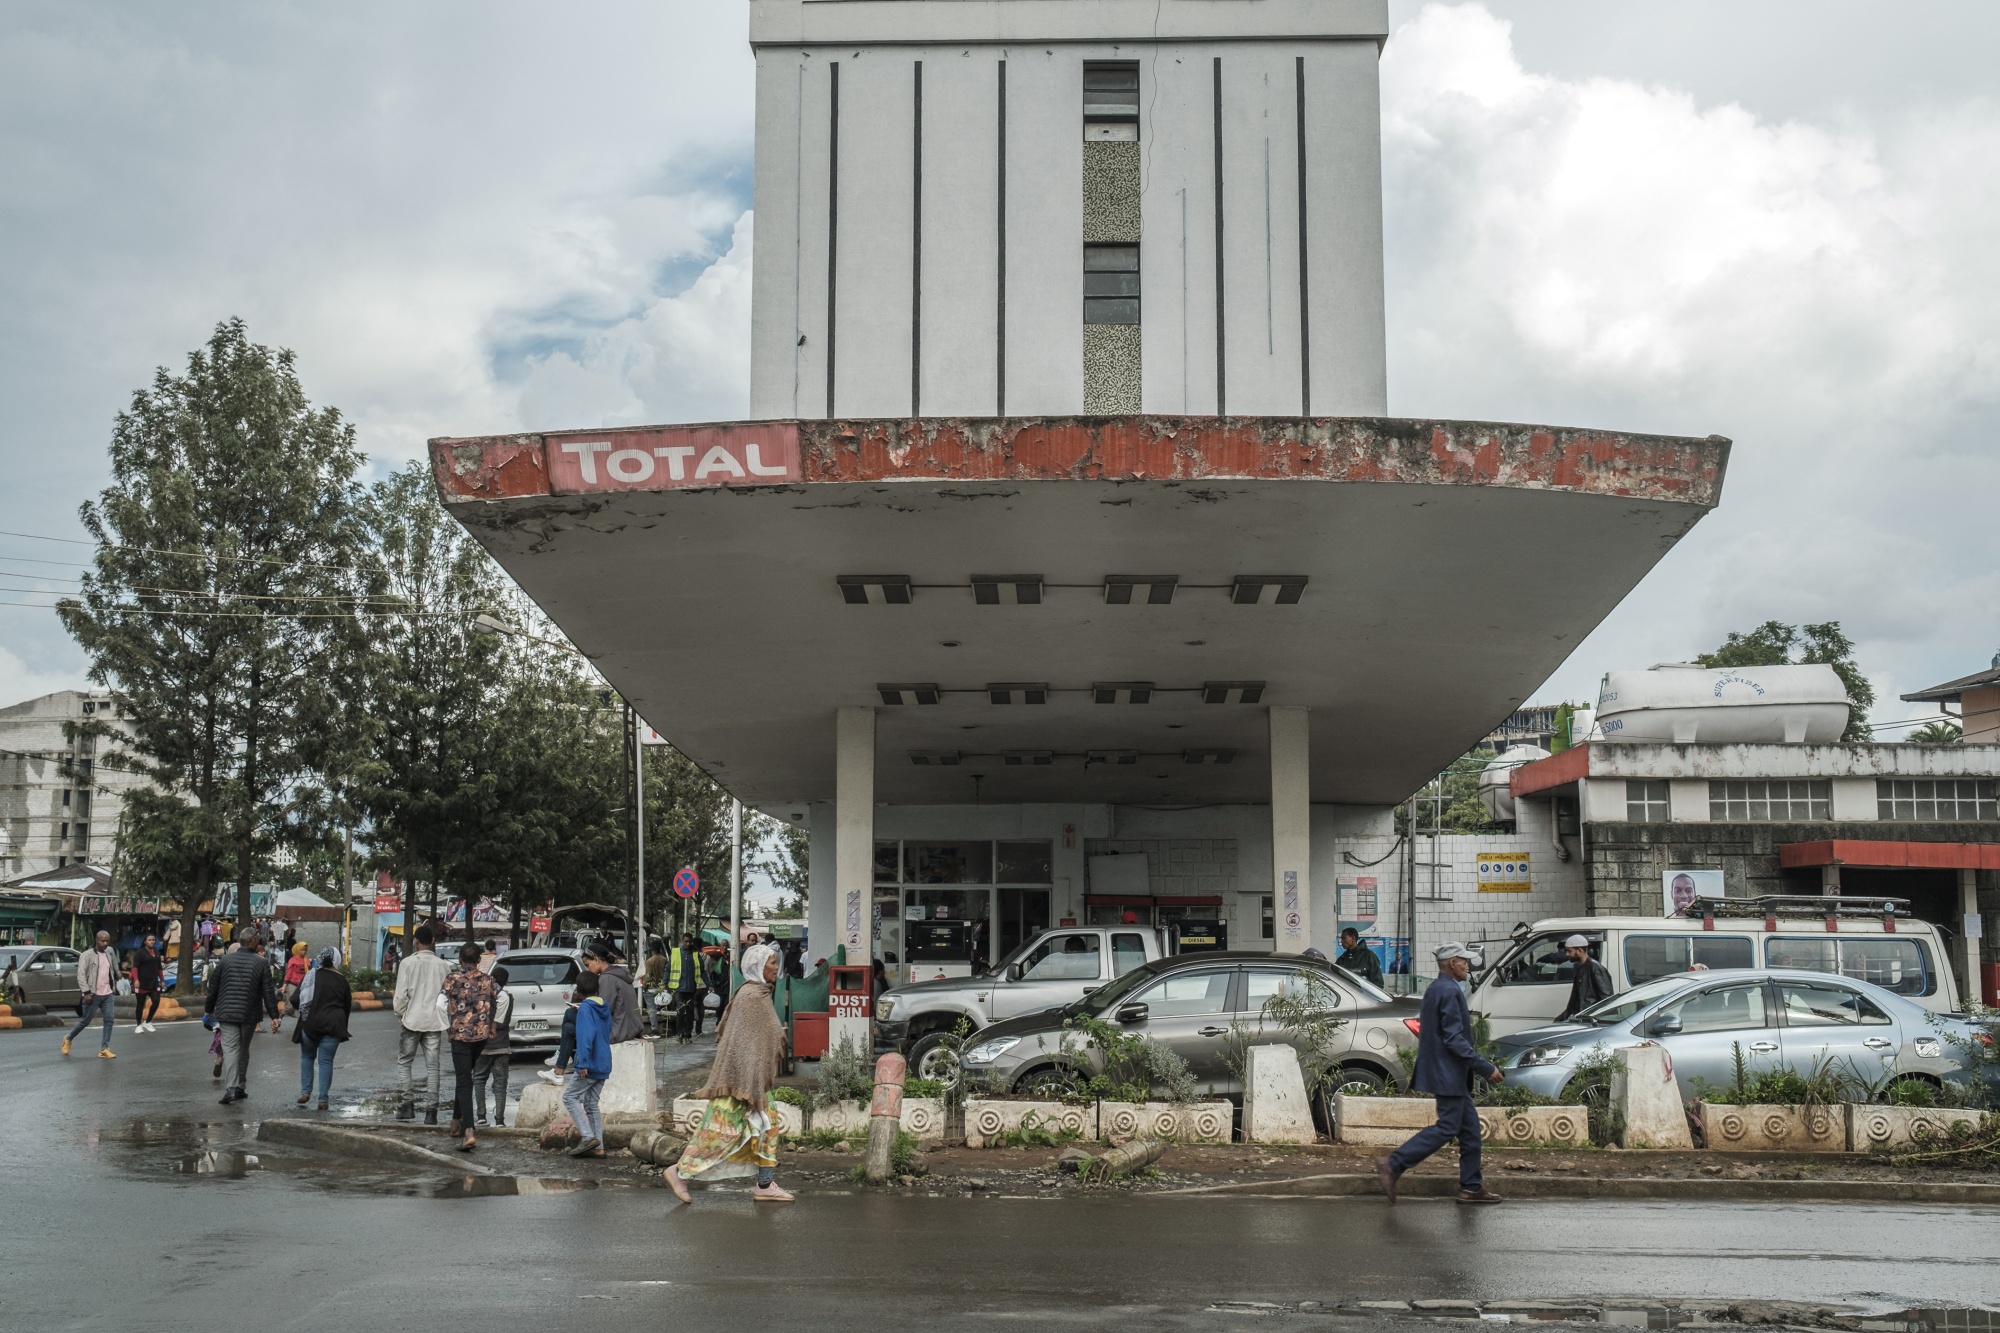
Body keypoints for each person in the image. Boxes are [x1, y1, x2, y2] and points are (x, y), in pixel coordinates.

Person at [664, 942, 793, 1204]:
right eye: (772, 963)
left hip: (750, 1081)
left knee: (769, 1127)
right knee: (718, 1133)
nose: (776, 968)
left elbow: (759, 1039)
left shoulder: (758, 993)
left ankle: (765, 1184)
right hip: (737, 1082)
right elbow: (744, 1044)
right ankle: (679, 1173)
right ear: (757, 967)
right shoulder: (752, 996)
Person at [1378, 943, 1504, 1205]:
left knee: (1469, 1132)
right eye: (1464, 961)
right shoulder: (1449, 991)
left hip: (1446, 1073)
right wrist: (1485, 1067)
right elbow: (1454, 1040)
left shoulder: (1437, 988)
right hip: (1449, 1074)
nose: (1468, 965)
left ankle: (1471, 1187)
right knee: (1447, 1127)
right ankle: (1393, 1163)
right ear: (1451, 964)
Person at [204, 927, 281, 1104]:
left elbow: (213, 988)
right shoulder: (261, 963)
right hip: (249, 1014)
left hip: (227, 1013)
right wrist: (274, 1016)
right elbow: (268, 992)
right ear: (253, 942)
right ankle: (240, 1087)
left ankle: (231, 1088)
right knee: (243, 1049)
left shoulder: (225, 960)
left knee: (230, 1049)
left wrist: (209, 1010)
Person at [442, 942, 499, 1150]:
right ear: (478, 960)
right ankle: (456, 1124)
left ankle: (469, 1132)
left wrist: (447, 1026)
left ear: (459, 960)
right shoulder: (488, 980)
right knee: (464, 1076)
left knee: (464, 1080)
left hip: (459, 1035)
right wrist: (494, 1023)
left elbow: (440, 1004)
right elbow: (504, 1000)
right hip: (481, 1036)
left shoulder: (452, 979)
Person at [392, 925, 450, 1125]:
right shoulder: (444, 966)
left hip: (411, 1021)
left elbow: (401, 996)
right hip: (434, 1022)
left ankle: (407, 1106)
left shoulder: (407, 963)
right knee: (433, 1067)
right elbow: (446, 998)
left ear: (415, 941)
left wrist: (400, 1014)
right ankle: (431, 1112)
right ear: (432, 940)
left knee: (405, 1062)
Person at [293, 947, 351, 1111]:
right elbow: (347, 1006)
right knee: (326, 1061)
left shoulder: (310, 976)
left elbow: (295, 999)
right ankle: (323, 1099)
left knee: (307, 1057)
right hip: (333, 1025)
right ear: (336, 961)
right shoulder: (342, 980)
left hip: (309, 1023)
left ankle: (305, 1091)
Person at [562, 969, 612, 1158]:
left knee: (569, 1097)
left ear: (579, 992)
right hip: (604, 1061)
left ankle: (587, 1136)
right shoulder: (603, 1006)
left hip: (589, 1063)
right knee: (591, 1104)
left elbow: (586, 1036)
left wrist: (582, 1062)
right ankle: (599, 1147)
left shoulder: (585, 1008)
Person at [63, 930, 121, 1059]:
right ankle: (68, 1038)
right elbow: (81, 975)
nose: (105, 943)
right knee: (85, 1021)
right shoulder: (86, 955)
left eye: (107, 941)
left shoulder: (110, 952)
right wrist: (86, 992)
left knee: (109, 1020)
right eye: (102, 941)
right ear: (96, 940)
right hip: (93, 994)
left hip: (108, 993)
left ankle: (104, 1048)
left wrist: (118, 976)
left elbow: (114, 966)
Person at [473, 965, 513, 1127]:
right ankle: (499, 1120)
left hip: (482, 1045)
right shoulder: (508, 998)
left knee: (479, 1079)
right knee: (500, 1083)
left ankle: (481, 1116)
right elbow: (505, 1021)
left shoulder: (481, 998)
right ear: (507, 981)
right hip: (502, 1044)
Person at [585, 942, 642, 1045]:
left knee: (572, 1023)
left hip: (619, 1031)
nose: (587, 969)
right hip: (631, 1028)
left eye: (587, 965)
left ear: (596, 960)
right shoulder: (619, 973)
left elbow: (604, 1009)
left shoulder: (607, 978)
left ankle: (572, 1058)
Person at [1554, 934, 1614, 1022]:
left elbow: (1607, 1000)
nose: (1567, 954)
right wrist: (1561, 1018)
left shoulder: (1595, 968)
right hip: (1582, 1019)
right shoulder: (1580, 968)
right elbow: (1575, 1001)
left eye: (1569, 951)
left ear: (1580, 951)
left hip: (1588, 1020)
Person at [666, 934, 702, 1043]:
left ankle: (687, 1033)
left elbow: (702, 970)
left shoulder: (695, 954)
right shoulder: (676, 953)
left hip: (691, 988)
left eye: (690, 942)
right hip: (678, 988)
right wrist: (664, 983)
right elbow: (668, 969)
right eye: (686, 941)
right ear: (682, 941)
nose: (688, 944)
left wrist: (709, 985)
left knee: (690, 1012)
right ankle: (680, 1033)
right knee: (681, 1011)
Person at [130, 932, 165, 1033]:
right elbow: (135, 967)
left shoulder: (157, 953)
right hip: (141, 982)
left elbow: (159, 968)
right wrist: (136, 980)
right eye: (149, 940)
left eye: (153, 940)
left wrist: (162, 980)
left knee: (156, 1000)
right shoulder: (140, 953)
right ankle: (138, 1025)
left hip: (153, 982)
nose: (151, 942)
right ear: (145, 942)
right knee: (140, 1004)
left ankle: (148, 1021)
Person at [282, 942, 310, 1010]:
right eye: (302, 950)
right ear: (297, 950)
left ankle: (300, 1020)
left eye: (305, 950)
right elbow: (289, 973)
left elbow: (309, 973)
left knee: (302, 1004)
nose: (304, 952)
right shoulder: (292, 960)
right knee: (290, 1005)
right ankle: (280, 1016)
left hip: (303, 985)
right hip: (293, 983)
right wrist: (284, 986)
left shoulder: (307, 960)